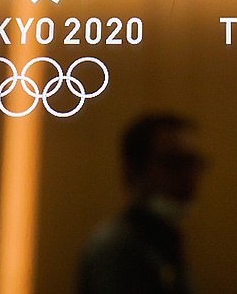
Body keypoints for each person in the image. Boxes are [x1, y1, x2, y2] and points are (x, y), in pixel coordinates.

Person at [78, 112, 205, 294]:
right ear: (134, 171)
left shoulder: (162, 238)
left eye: (192, 163)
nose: (189, 177)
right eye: (174, 163)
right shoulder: (116, 250)